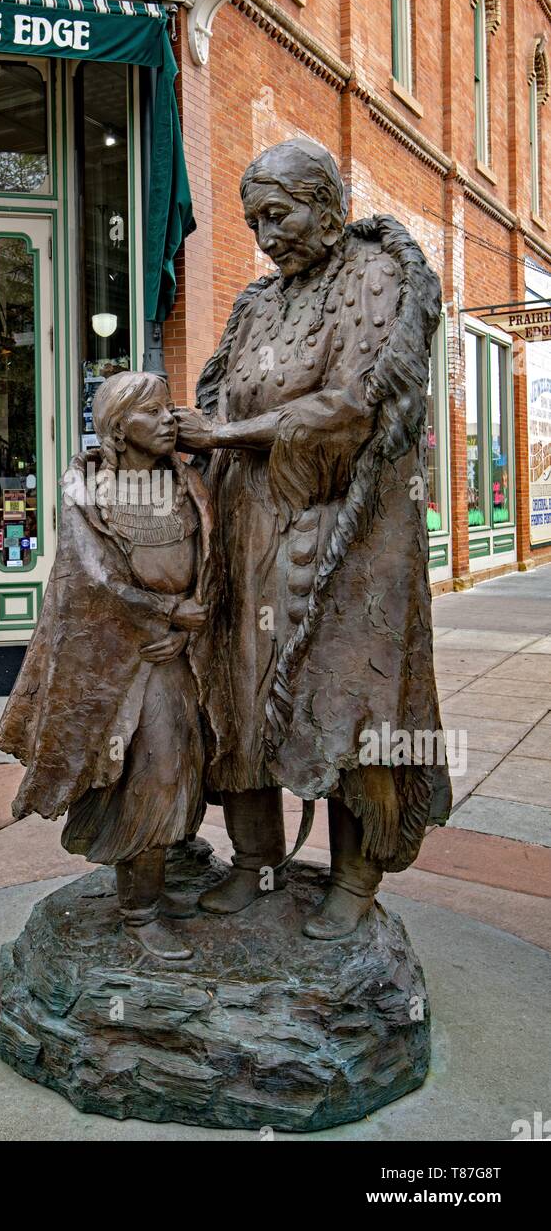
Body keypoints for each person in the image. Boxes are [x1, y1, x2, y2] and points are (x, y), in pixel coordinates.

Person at [174, 137, 452, 940]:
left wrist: (227, 436)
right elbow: (225, 398)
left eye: (278, 214)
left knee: (351, 702)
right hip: (253, 532)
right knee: (240, 692)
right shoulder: (259, 302)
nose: (265, 235)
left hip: (349, 536)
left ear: (327, 206)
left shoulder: (375, 277)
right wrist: (187, 433)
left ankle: (354, 881)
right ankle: (256, 862)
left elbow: (355, 406)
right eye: (254, 218)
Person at [0, 371, 224, 960]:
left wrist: (190, 624)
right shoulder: (88, 492)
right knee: (150, 775)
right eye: (153, 412)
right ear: (119, 428)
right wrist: (164, 612)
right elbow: (93, 580)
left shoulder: (188, 483)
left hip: (178, 657)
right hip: (123, 660)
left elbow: (216, 559)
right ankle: (138, 913)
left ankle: (160, 883)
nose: (170, 419)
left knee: (187, 768)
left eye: (171, 408)